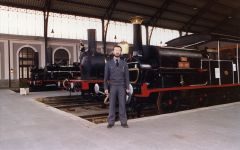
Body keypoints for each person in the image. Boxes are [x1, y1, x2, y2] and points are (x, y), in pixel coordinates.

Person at [104, 45, 130, 128]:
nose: (117, 51)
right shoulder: (108, 63)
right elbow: (105, 77)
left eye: (119, 50)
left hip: (122, 86)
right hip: (113, 86)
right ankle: (111, 122)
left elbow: (127, 77)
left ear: (121, 52)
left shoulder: (124, 63)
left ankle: (124, 122)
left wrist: (127, 88)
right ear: (113, 51)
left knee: (122, 104)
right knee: (112, 104)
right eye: (116, 50)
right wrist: (105, 88)